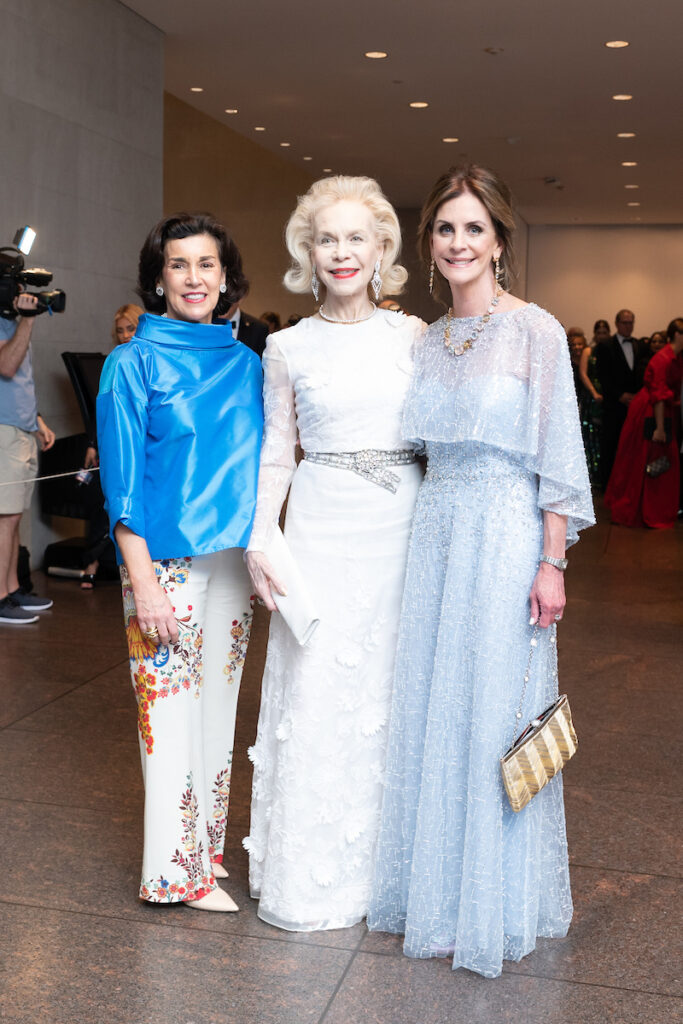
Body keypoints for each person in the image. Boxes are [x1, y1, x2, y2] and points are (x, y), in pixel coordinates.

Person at [367, 164, 594, 978]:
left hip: (504, 533)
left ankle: (492, 904)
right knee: (440, 707)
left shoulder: (533, 328)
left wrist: (550, 560)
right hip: (434, 532)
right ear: (428, 243)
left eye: (473, 228)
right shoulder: (425, 338)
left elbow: (559, 456)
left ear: (499, 240)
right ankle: (438, 893)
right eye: (444, 228)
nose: (458, 242)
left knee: (496, 709)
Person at [243, 175, 424, 932]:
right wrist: (259, 537)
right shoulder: (284, 346)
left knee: (389, 695)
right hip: (316, 531)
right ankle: (312, 880)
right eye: (327, 239)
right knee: (316, 690)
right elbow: (276, 454)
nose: (342, 252)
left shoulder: (414, 337)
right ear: (307, 254)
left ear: (382, 249)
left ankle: (390, 877)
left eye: (357, 238)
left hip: (401, 530)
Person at [97, 212, 263, 912]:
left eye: (206, 264)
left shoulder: (248, 361)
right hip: (161, 567)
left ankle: (204, 854)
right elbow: (123, 485)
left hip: (232, 564)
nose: (193, 278)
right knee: (166, 723)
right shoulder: (131, 361)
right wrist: (142, 583)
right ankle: (171, 873)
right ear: (158, 278)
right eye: (178, 265)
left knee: (216, 714)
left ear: (225, 277)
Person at [0, 293, 56, 624]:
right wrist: (30, 318)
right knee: (3, 518)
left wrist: (38, 421)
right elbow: (7, 366)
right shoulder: (16, 324)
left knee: (13, 516)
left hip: (21, 431)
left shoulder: (11, 323)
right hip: (3, 434)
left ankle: (12, 588)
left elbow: (17, 385)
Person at [80, 304, 144, 589]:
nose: (124, 335)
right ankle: (93, 561)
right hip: (115, 449)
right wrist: (93, 444)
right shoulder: (115, 362)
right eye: (120, 331)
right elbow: (102, 412)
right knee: (103, 503)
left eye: (130, 328)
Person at [604, 318, 683, 529]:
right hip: (651, 413)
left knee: (659, 461)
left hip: (662, 411)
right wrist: (659, 427)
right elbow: (658, 395)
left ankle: (654, 506)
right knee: (647, 460)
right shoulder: (663, 359)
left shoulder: (676, 357)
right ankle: (644, 507)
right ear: (677, 335)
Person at [595, 309, 648, 488]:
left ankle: (629, 484)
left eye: (631, 322)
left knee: (632, 446)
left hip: (635, 406)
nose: (628, 326)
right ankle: (608, 484)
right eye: (625, 322)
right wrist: (619, 395)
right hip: (614, 406)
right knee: (611, 444)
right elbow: (602, 376)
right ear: (617, 324)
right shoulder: (605, 346)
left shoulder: (639, 345)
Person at [577, 332, 603, 486]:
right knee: (589, 436)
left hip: (604, 400)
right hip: (590, 399)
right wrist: (594, 392)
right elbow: (583, 374)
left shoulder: (607, 351)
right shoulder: (589, 352)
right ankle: (589, 473)